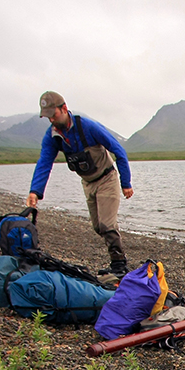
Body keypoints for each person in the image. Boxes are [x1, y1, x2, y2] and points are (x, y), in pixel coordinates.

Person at [27, 91, 134, 276]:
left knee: (107, 225)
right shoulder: (52, 136)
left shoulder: (88, 127)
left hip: (107, 178)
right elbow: (44, 162)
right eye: (48, 116)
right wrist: (35, 191)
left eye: (54, 114)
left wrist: (126, 183)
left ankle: (119, 264)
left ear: (64, 108)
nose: (51, 119)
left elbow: (119, 151)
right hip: (88, 183)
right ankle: (116, 258)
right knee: (98, 226)